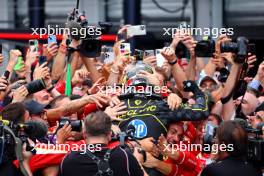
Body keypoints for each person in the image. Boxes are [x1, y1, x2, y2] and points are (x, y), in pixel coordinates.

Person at [59, 110, 148, 176]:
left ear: (85, 134)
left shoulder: (68, 160)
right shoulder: (124, 156)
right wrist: (138, 162)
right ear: (109, 135)